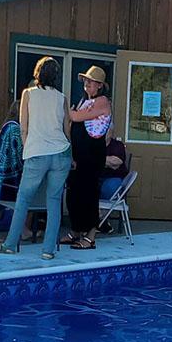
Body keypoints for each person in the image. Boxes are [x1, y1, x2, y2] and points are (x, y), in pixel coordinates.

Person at [0, 56, 71, 260]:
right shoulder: (62, 98)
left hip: (37, 153)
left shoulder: (28, 94)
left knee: (23, 199)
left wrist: (27, 150)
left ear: (38, 73)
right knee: (53, 201)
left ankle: (10, 244)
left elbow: (24, 126)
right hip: (61, 152)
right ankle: (48, 250)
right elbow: (66, 129)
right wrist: (72, 152)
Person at [63, 66, 112, 250]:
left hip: (92, 156)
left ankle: (90, 237)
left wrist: (71, 113)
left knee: (89, 195)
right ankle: (76, 231)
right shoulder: (85, 100)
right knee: (74, 195)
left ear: (99, 85)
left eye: (90, 82)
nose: (86, 84)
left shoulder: (102, 101)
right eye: (85, 81)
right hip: (79, 155)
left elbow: (76, 116)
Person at [0, 99, 31, 242]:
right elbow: (19, 150)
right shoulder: (16, 128)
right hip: (10, 173)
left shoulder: (6, 125)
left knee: (13, 201)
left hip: (0, 171)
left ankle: (23, 230)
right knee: (4, 201)